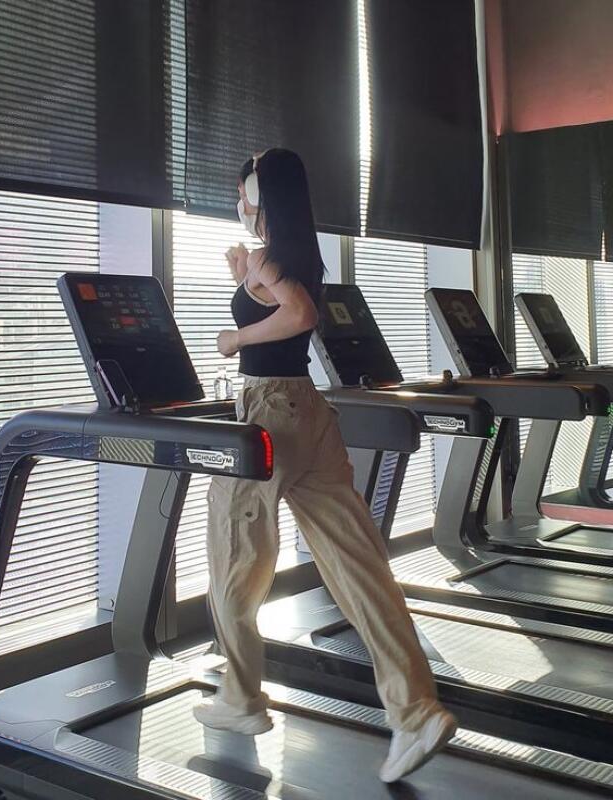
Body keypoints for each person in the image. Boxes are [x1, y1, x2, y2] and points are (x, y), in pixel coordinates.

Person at [192, 148, 457, 783]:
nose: (239, 203)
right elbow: (292, 308)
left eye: (244, 193)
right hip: (311, 410)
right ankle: (415, 709)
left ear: (260, 195)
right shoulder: (297, 255)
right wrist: (248, 279)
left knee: (234, 559)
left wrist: (233, 337)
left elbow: (299, 316)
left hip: (267, 411)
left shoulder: (268, 255)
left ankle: (240, 695)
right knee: (359, 567)